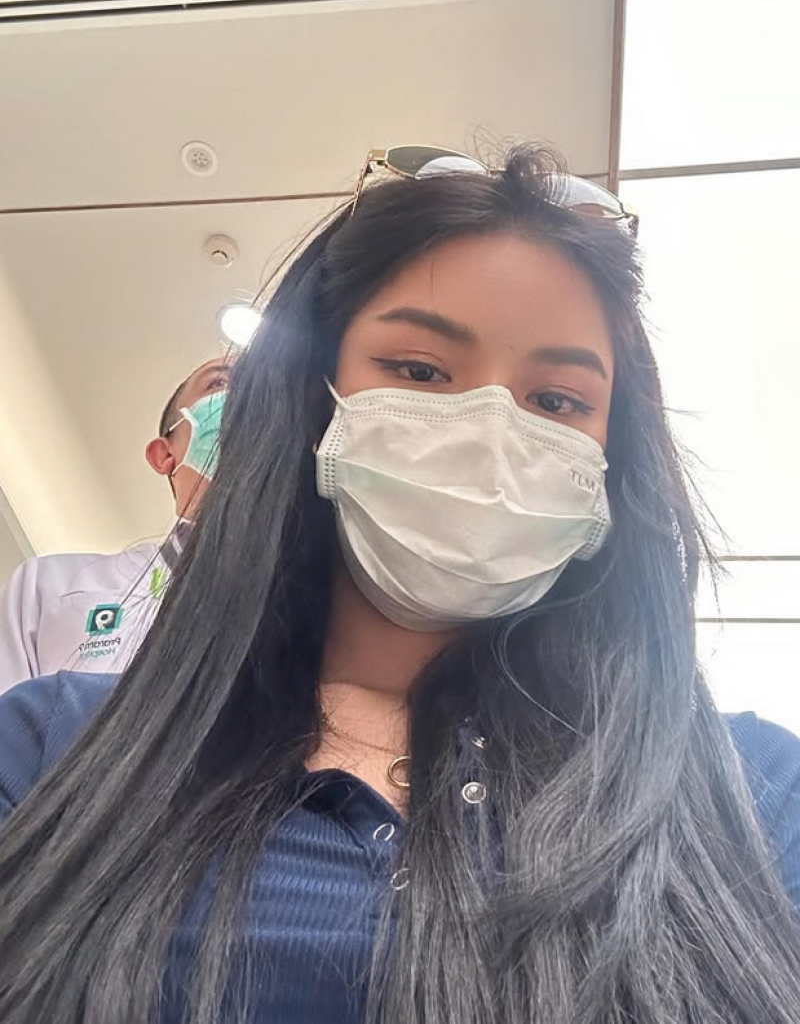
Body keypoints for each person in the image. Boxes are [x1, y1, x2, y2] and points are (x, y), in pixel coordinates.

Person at [0, 144, 799, 1024]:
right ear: (315, 403)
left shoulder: (755, 793)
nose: (490, 433)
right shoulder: (48, 752)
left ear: (612, 459)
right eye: (419, 371)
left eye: (557, 401)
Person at [0, 357, 230, 691]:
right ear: (164, 455)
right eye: (220, 383)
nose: (251, 394)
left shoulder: (309, 594)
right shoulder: (51, 587)